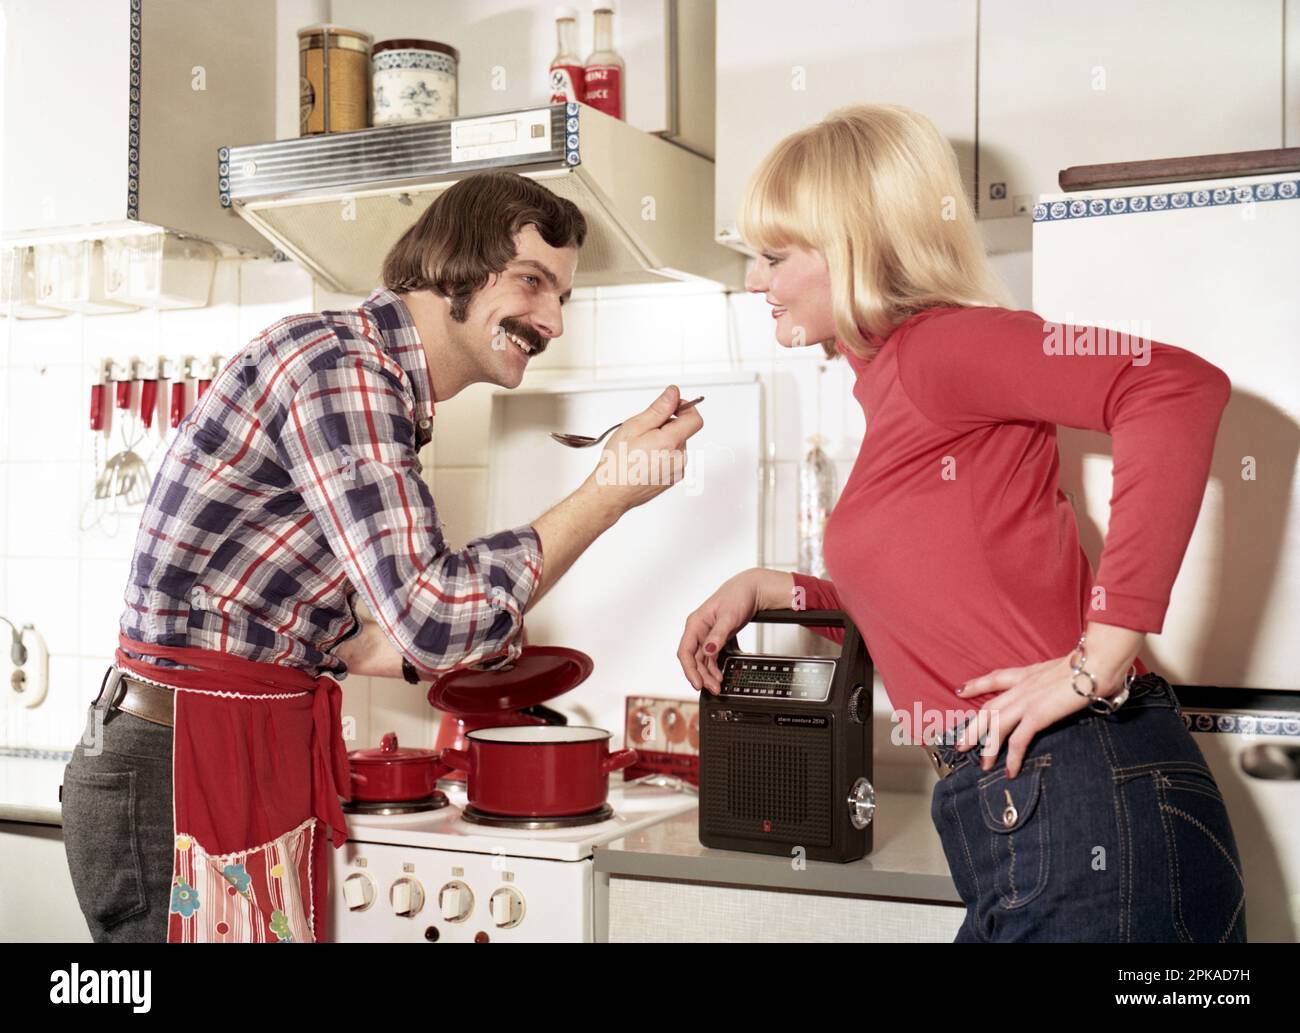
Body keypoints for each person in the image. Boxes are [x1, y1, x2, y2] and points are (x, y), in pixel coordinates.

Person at [61, 171, 703, 942]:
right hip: (177, 765)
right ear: (450, 265)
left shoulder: (375, 384)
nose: (553, 321)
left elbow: (307, 618)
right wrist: (608, 492)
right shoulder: (346, 370)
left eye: (563, 297)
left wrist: (418, 648)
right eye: (533, 282)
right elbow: (432, 618)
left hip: (219, 748)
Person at [676, 104, 1246, 943]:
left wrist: (1103, 653)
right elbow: (946, 591)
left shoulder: (939, 349)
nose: (756, 282)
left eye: (774, 255)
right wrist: (779, 587)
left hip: (1083, 791)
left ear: (855, 247)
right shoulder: (904, 387)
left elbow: (1172, 385)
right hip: (1036, 807)